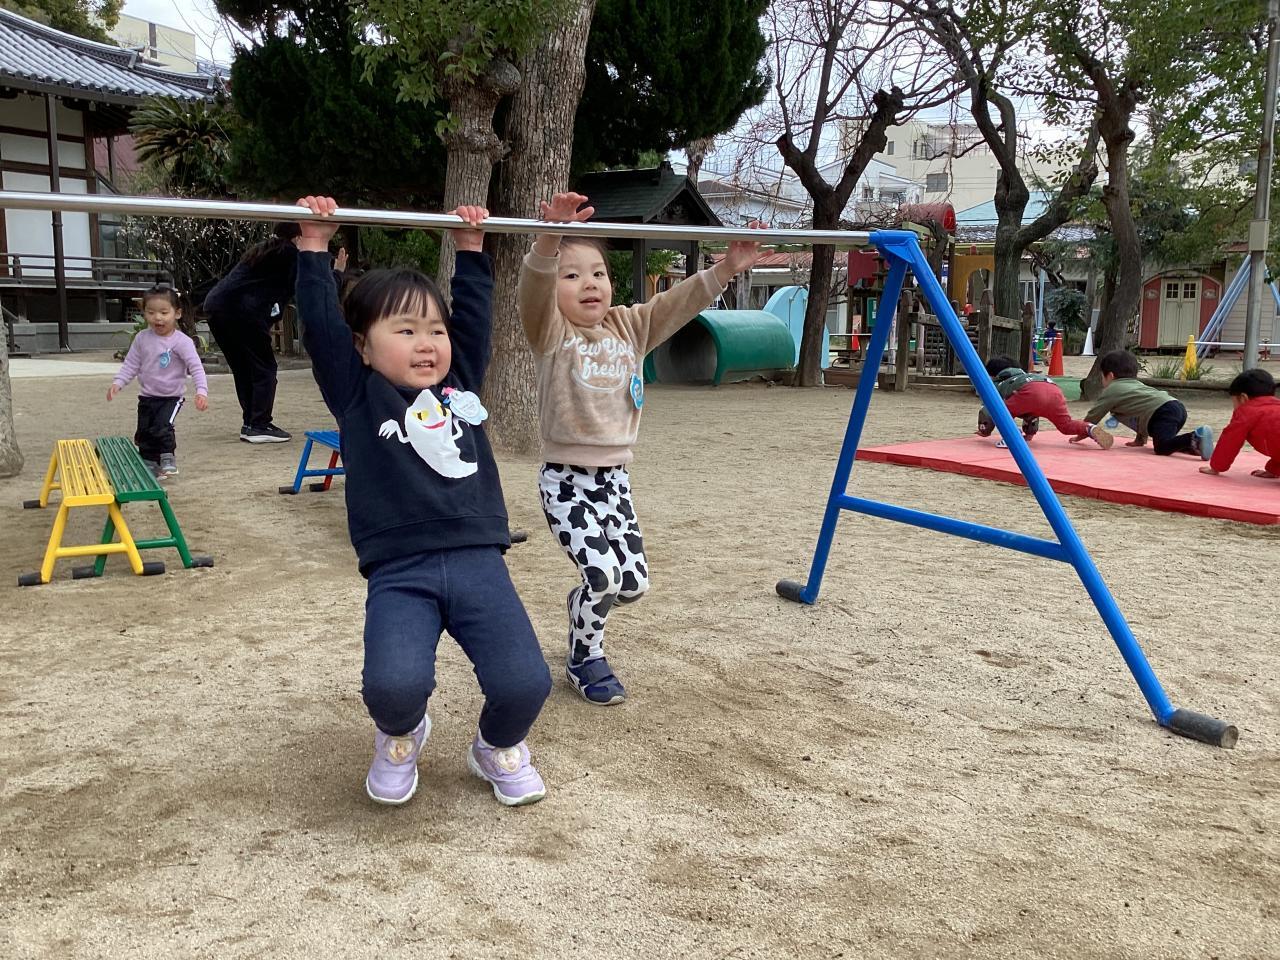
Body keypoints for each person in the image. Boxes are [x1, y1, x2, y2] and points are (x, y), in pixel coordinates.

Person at [294, 195, 551, 808]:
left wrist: (471, 250)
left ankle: (496, 746)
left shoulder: (459, 384)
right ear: (363, 347)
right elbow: (322, 326)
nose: (426, 343)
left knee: (525, 683)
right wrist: (313, 247)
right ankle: (401, 735)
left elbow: (474, 321)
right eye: (405, 331)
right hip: (399, 569)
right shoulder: (357, 393)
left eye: (434, 330)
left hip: (478, 560)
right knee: (392, 688)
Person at [518, 191, 762, 706]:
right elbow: (534, 290)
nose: (589, 283)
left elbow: (677, 305)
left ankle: (583, 603)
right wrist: (549, 239)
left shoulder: (629, 327)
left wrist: (726, 269)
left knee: (632, 584)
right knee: (603, 576)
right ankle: (586, 657)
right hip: (566, 481)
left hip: (615, 482)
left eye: (598, 273)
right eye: (571, 275)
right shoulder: (552, 332)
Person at [203, 223, 299, 443]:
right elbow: (308, 285)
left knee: (244, 368)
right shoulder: (289, 253)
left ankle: (251, 423)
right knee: (265, 367)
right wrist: (337, 273)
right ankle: (259, 424)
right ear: (298, 237)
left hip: (217, 307)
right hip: (242, 311)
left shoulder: (267, 249)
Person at [107, 280, 209, 479]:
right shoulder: (142, 338)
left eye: (164, 312)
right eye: (151, 312)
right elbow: (131, 364)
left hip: (171, 397)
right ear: (144, 313)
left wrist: (201, 391)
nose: (157, 318)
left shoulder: (182, 342)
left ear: (177, 313)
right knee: (144, 431)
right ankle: (149, 463)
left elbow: (196, 367)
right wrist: (118, 382)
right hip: (147, 396)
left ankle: (167, 457)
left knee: (162, 426)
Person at [1079, 349, 1214, 458]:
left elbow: (1095, 413)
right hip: (1175, 407)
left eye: (1102, 377)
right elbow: (1141, 411)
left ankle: (1195, 438)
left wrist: (1082, 430)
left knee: (1161, 447)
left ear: (1110, 376)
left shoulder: (1113, 389)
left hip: (1162, 412)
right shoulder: (1135, 385)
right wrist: (1140, 439)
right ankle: (1194, 446)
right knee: (1166, 441)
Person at [976, 355, 1112, 448]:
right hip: (1054, 390)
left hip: (1029, 392)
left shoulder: (999, 381)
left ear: (992, 375)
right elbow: (1034, 409)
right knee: (1065, 424)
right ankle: (1089, 428)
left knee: (1000, 411)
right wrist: (1030, 433)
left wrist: (984, 430)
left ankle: (1011, 436)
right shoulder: (1027, 375)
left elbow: (988, 408)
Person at [1200, 368, 1280, 478]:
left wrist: (1216, 467)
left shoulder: (1246, 412)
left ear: (1243, 398)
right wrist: (1273, 470)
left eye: (1234, 402)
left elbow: (1230, 441)